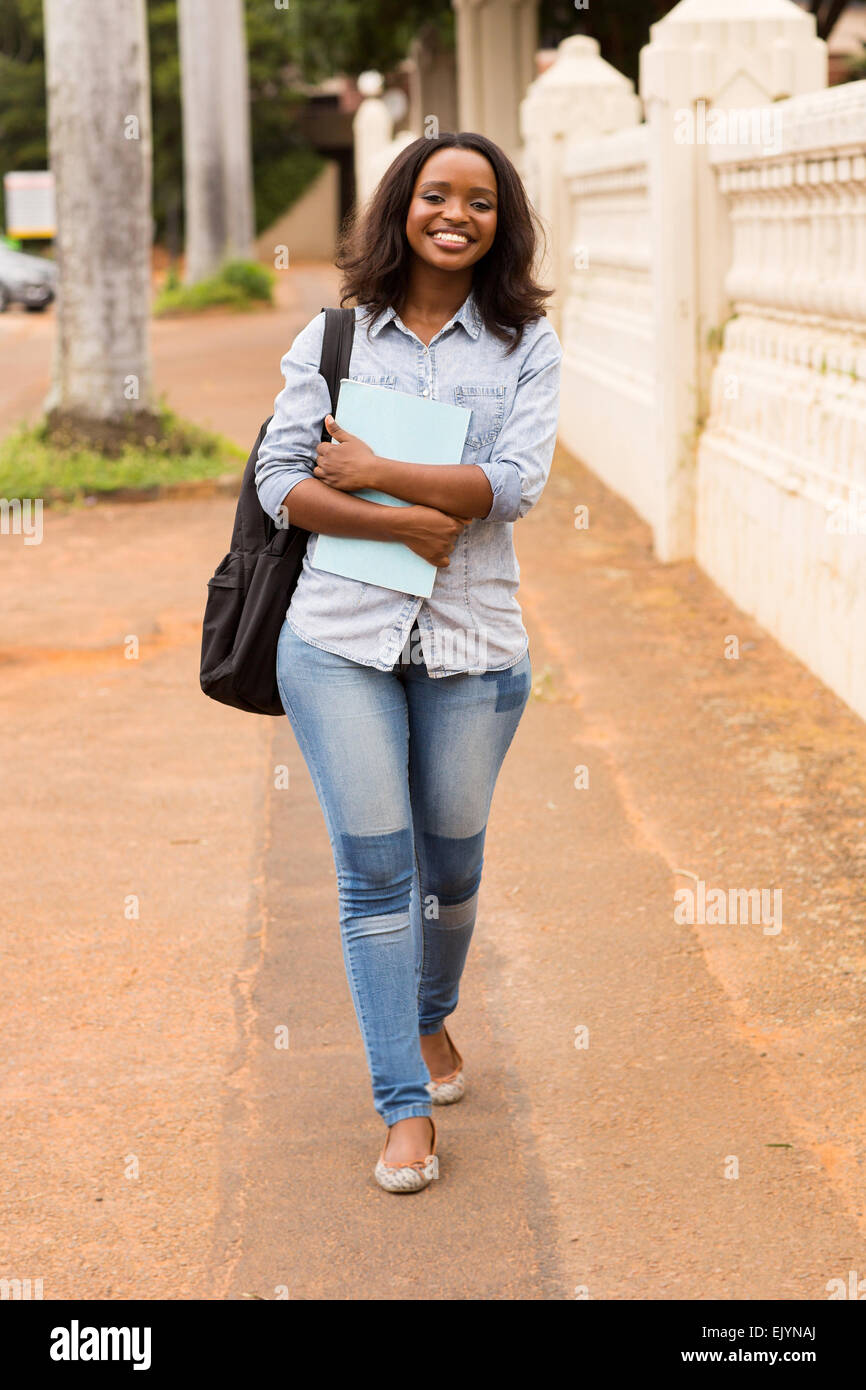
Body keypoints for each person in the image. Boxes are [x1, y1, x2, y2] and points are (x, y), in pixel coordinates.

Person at [255, 131, 562, 1192]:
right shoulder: (336, 336)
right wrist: (401, 525)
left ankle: (430, 1014)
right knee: (377, 874)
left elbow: (513, 483)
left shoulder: (525, 344)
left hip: (472, 644)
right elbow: (277, 480)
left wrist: (380, 471)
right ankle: (401, 1109)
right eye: (436, 194)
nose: (454, 214)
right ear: (402, 206)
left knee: (453, 868)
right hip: (336, 638)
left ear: (498, 222)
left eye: (478, 201)